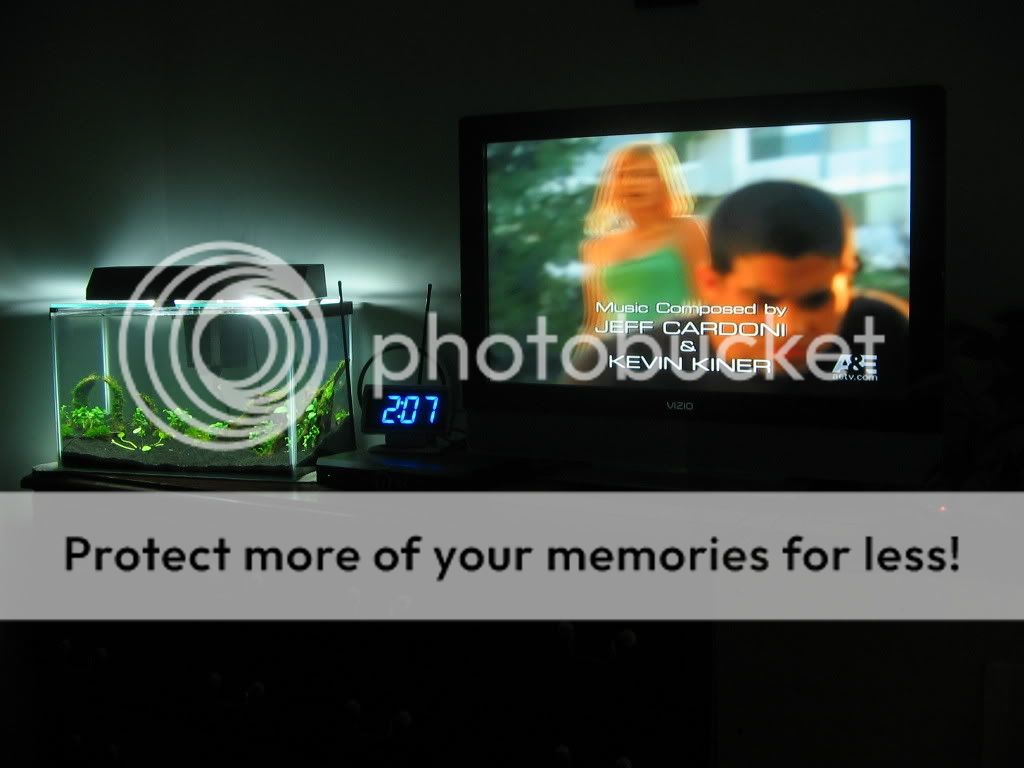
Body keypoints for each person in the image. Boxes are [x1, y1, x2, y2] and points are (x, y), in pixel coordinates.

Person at [568, 180, 909, 390]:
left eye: (816, 299)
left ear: (848, 278)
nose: (792, 327)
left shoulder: (884, 333)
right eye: (763, 302)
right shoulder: (620, 370)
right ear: (709, 284)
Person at [577, 142, 710, 335]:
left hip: (674, 345)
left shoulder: (688, 230)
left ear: (665, 181)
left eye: (645, 174)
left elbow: (710, 301)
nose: (633, 182)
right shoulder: (596, 247)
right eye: (624, 175)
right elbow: (595, 322)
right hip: (618, 349)